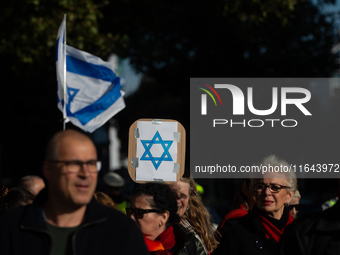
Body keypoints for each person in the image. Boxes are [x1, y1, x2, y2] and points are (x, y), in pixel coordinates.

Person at [0, 129, 148, 255]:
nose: (85, 173)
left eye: (91, 164)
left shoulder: (122, 230)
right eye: (74, 164)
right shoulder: (11, 228)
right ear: (48, 170)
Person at [214, 155, 296, 255]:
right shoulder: (237, 232)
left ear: (289, 196)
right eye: (261, 186)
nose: (266, 192)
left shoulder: (301, 232)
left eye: (275, 187)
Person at [127, 182, 206, 254]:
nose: (131, 217)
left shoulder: (191, 248)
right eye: (130, 211)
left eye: (139, 213)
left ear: (163, 217)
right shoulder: (122, 245)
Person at [171, 177, 219, 254]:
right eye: (173, 195)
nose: (177, 201)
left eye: (183, 196)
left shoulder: (195, 227)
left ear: (189, 199)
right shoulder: (159, 229)